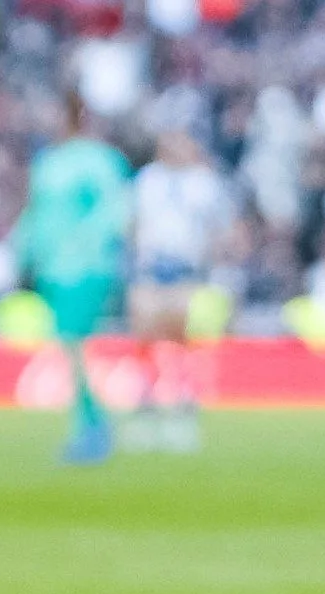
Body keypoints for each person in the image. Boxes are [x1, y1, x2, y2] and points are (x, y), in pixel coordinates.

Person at [12, 92, 131, 466]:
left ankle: (93, 426)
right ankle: (90, 423)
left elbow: (114, 211)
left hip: (85, 267)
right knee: (69, 345)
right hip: (52, 269)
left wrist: (86, 247)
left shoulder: (99, 161)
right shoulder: (48, 162)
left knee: (75, 342)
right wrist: (22, 253)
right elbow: (36, 214)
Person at [126, 130, 234, 452]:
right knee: (146, 337)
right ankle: (146, 404)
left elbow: (220, 227)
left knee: (184, 338)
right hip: (150, 267)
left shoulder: (203, 183)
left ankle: (184, 405)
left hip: (187, 269)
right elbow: (132, 223)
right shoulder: (147, 181)